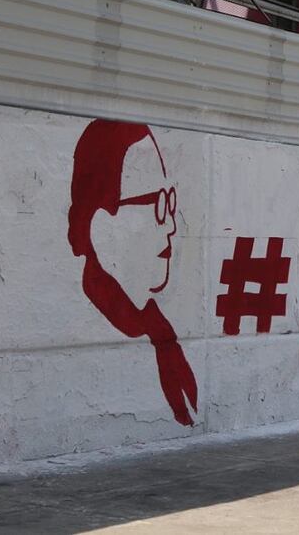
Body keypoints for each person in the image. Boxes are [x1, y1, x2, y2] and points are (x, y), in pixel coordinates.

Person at [68, 119, 198, 426]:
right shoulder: (100, 338)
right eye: (157, 205)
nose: (171, 225)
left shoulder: (155, 328)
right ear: (99, 223)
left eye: (171, 203)